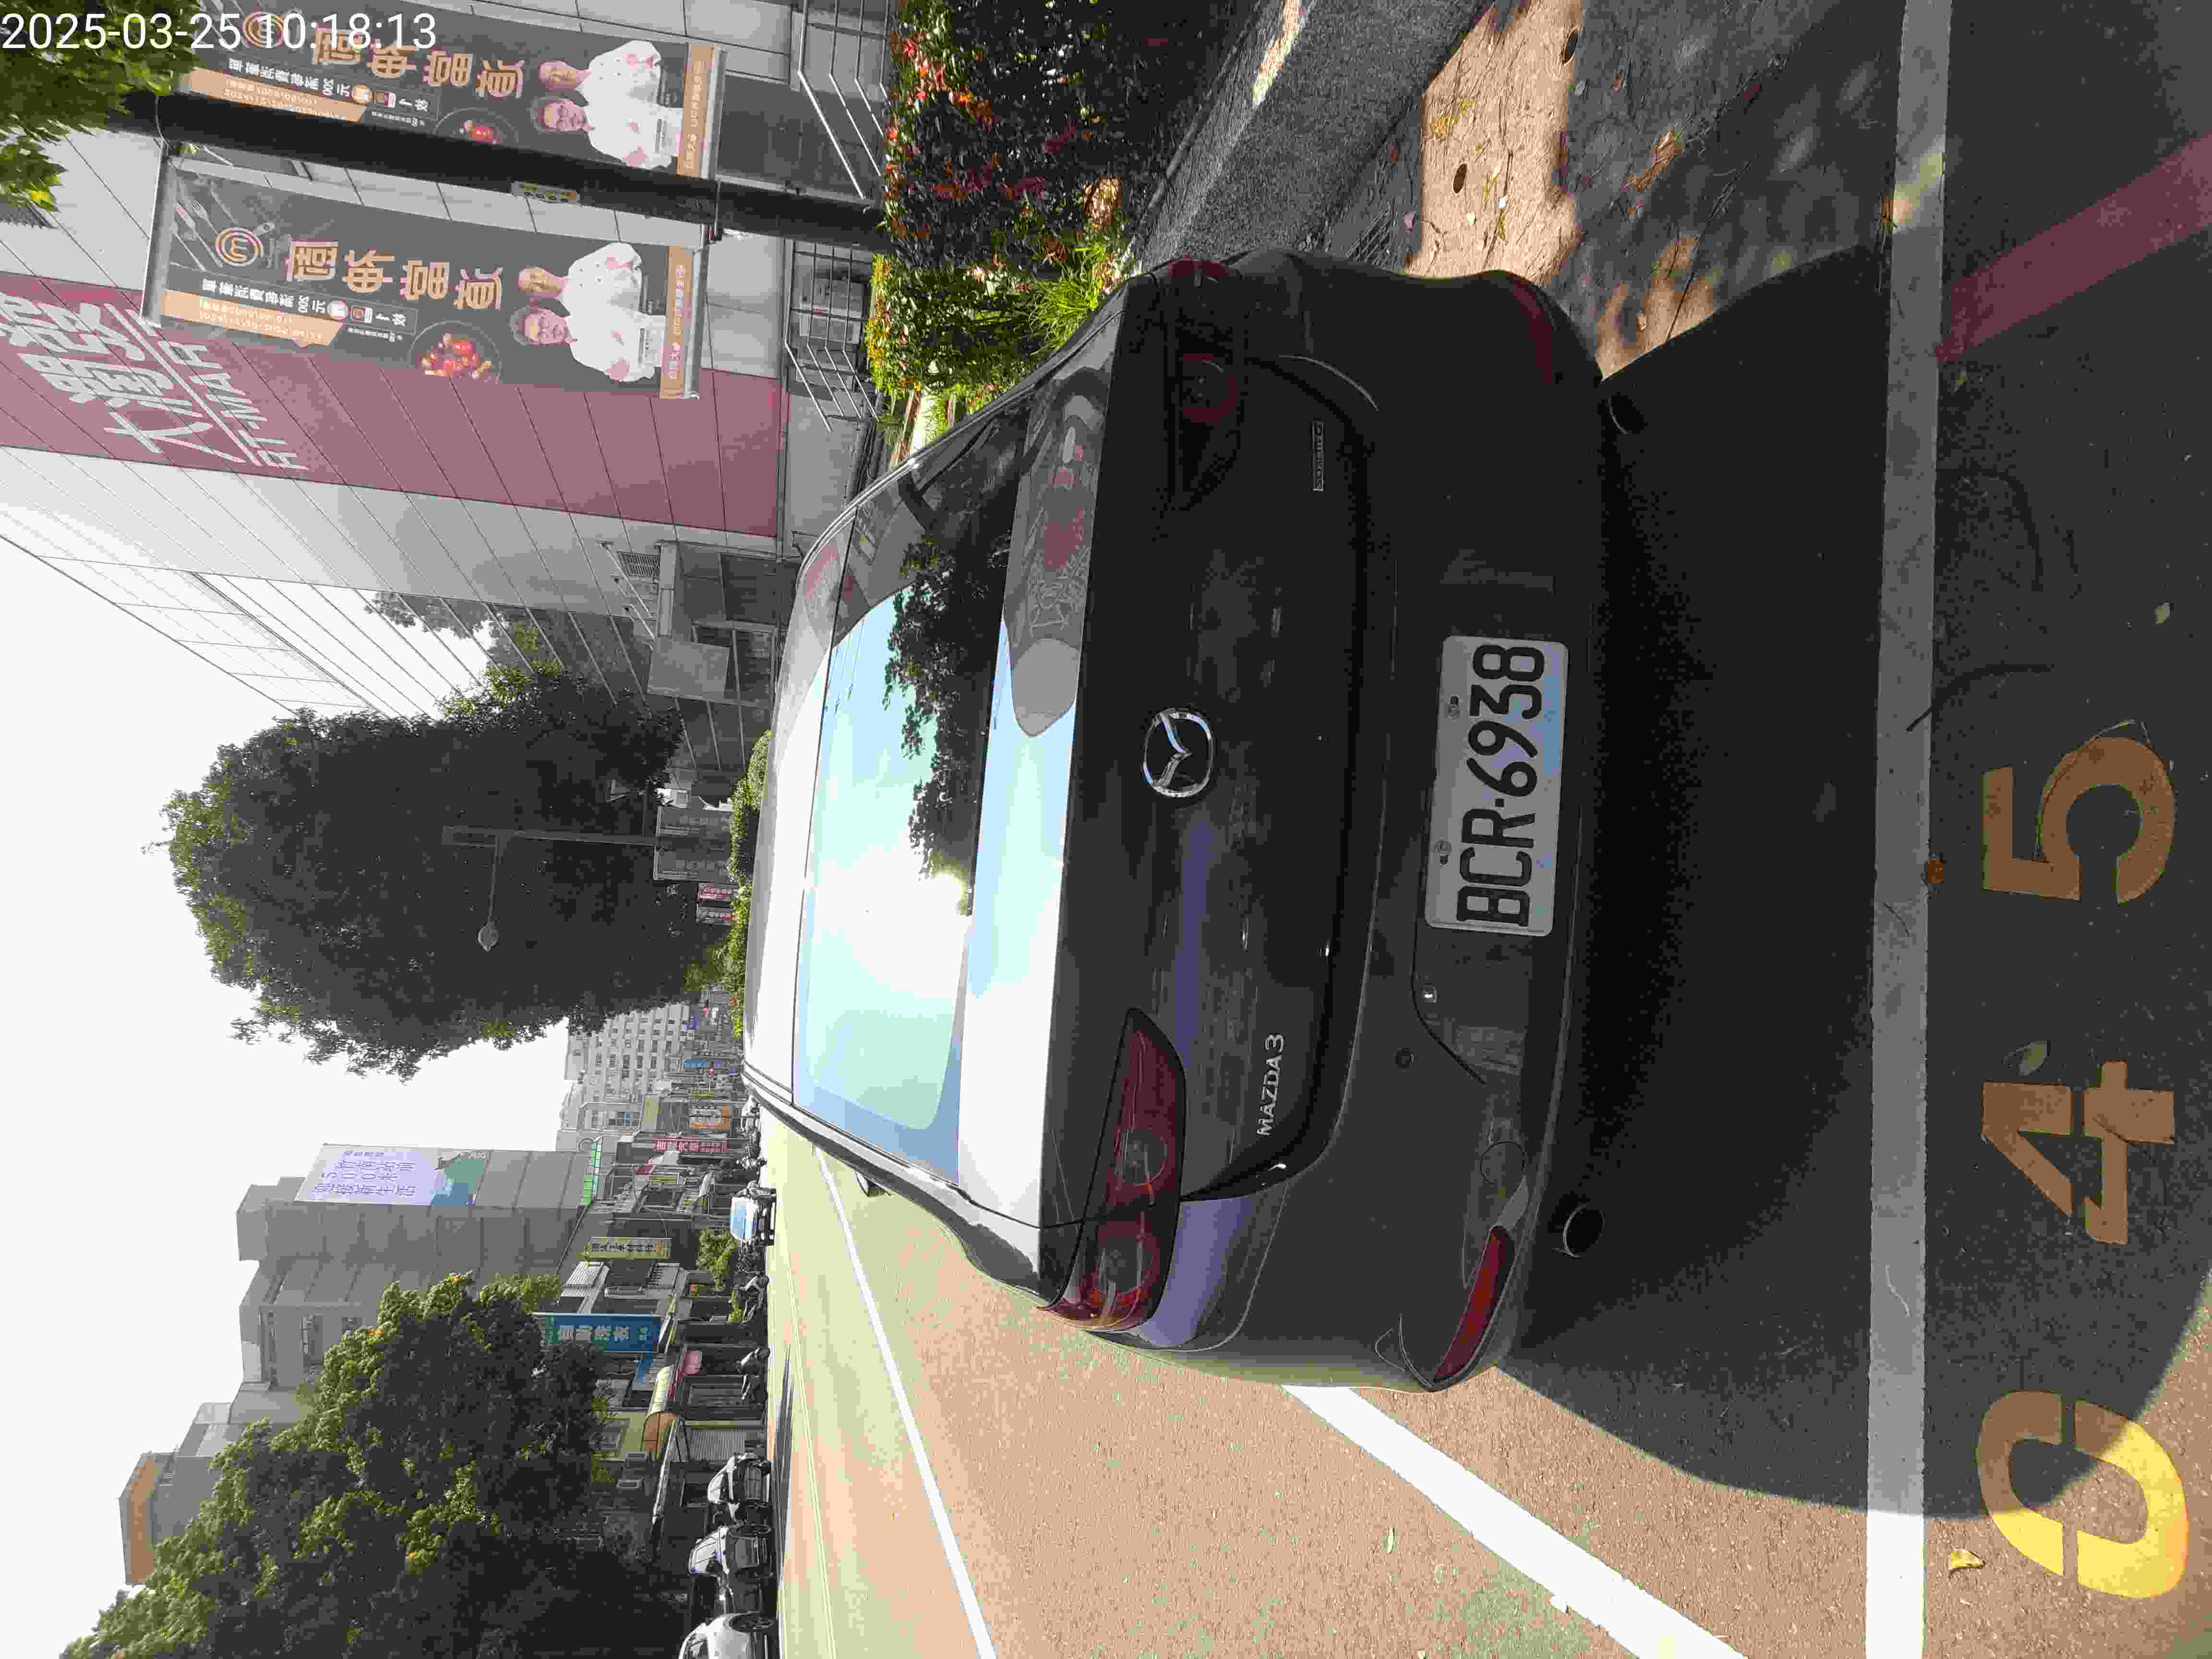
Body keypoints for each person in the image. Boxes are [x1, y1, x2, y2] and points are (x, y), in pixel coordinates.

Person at [508, 301, 665, 384]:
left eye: (543, 323)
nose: (548, 331)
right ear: (542, 343)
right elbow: (631, 374)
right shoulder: (579, 355)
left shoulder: (586, 309)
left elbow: (635, 327)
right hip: (665, 363)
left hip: (668, 333)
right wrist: (630, 369)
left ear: (547, 312)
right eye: (541, 335)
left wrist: (630, 364)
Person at [529, 91, 680, 170]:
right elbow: (641, 162)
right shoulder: (597, 142)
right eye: (560, 124)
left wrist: (641, 150)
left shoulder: (602, 99)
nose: (567, 119)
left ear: (566, 102)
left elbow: (648, 114)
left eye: (562, 112)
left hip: (679, 124)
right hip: (676, 151)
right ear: (563, 131)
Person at [517, 241, 646, 313]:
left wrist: (623, 264)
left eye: (534, 276)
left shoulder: (577, 267)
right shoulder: (576, 311)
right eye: (533, 287)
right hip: (648, 304)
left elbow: (621, 249)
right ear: (535, 298)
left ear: (540, 269)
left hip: (649, 275)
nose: (539, 282)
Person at [538, 41, 667, 107]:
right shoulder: (595, 102)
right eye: (552, 79)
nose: (559, 74)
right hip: (666, 96)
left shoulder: (597, 62)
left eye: (554, 68)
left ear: (561, 63)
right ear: (556, 88)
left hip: (667, 70)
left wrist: (646, 58)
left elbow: (640, 47)